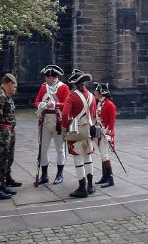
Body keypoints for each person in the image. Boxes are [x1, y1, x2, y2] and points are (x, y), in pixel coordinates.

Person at [61, 69, 96, 198]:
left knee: (78, 158)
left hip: (76, 130)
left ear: (75, 84)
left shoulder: (72, 96)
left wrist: (65, 128)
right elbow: (93, 114)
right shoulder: (92, 96)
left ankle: (82, 188)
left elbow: (65, 114)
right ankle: (90, 186)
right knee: (88, 157)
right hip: (89, 129)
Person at [33, 64, 70, 185]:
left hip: (58, 121)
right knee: (43, 149)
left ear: (55, 77)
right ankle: (44, 175)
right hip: (45, 121)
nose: (46, 80)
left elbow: (66, 105)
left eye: (49, 78)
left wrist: (55, 105)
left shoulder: (63, 87)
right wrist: (41, 105)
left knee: (60, 149)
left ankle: (60, 174)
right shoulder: (43, 87)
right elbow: (36, 101)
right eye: (46, 77)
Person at [94, 82, 117, 187]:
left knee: (105, 155)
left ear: (100, 93)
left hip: (105, 133)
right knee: (102, 155)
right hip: (99, 132)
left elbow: (112, 123)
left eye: (96, 91)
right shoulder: (100, 102)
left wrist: (107, 133)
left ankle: (110, 178)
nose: (94, 92)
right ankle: (104, 176)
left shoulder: (110, 105)